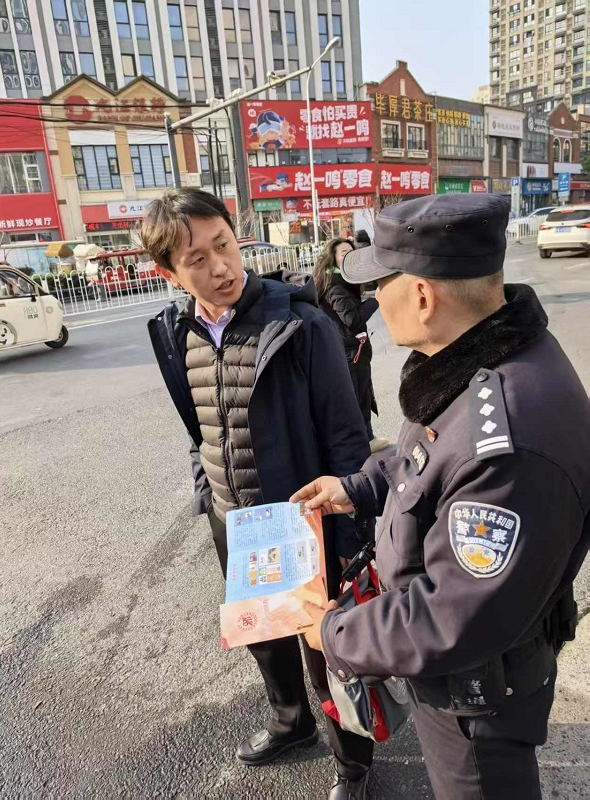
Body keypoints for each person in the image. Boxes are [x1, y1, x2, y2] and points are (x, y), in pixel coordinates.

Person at [292, 193, 590, 800]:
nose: (375, 300)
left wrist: (335, 633)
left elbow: (452, 616)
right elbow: (428, 459)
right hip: (464, 674)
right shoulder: (481, 356)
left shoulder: (506, 440)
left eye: (381, 283)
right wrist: (357, 488)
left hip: (475, 696)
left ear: (423, 296)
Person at [143, 189, 374, 800]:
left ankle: (353, 763)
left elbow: (346, 437)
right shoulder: (178, 333)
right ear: (169, 272)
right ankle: (290, 722)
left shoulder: (301, 324)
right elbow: (200, 428)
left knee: (326, 648)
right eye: (197, 259)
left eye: (224, 245)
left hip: (304, 521)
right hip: (236, 522)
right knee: (263, 637)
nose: (220, 267)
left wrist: (348, 533)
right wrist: (209, 495)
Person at [313, 238, 388, 454]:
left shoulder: (340, 280)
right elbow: (352, 319)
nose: (349, 256)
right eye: (344, 253)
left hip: (349, 348)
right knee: (356, 398)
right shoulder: (335, 285)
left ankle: (366, 439)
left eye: (351, 252)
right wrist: (375, 300)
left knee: (360, 396)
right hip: (349, 349)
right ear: (333, 258)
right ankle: (361, 443)